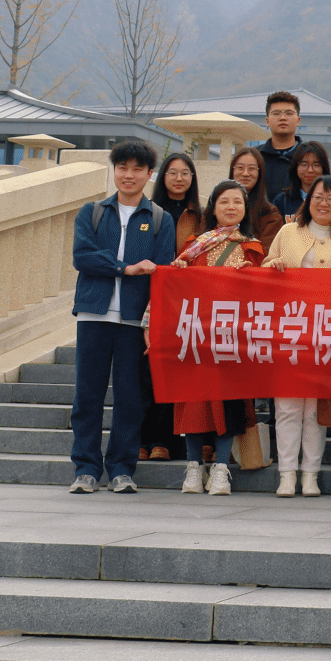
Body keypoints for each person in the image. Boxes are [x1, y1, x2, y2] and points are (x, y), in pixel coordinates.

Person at [67, 140, 171, 495]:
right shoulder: (92, 212)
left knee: (129, 398)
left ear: (149, 174)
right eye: (122, 167)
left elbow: (162, 272)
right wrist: (125, 269)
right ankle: (85, 468)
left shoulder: (159, 219)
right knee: (87, 396)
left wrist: (153, 323)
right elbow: (83, 256)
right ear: (114, 171)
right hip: (93, 315)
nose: (129, 175)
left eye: (137, 169)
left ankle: (122, 469)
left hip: (133, 321)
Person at [262, 174, 331, 497]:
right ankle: (287, 473)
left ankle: (311, 474)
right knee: (287, 405)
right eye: (318, 197)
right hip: (288, 328)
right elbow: (265, 268)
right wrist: (273, 265)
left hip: (326, 332)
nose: (324, 203)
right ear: (308, 200)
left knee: (316, 409)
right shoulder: (288, 231)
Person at [170, 179, 265, 496]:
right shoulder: (193, 245)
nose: (231, 207)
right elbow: (177, 288)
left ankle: (221, 468)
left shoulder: (253, 248)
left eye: (237, 202)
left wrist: (259, 275)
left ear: (245, 208)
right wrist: (179, 269)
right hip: (197, 335)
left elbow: (262, 295)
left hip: (233, 337)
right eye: (224, 201)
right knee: (194, 404)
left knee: (229, 403)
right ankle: (193, 467)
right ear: (213, 207)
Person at [140, 152, 201, 463]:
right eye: (172, 172)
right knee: (148, 370)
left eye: (185, 173)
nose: (179, 178)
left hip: (188, 300)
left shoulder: (202, 217)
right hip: (151, 296)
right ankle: (144, 438)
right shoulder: (148, 212)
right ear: (162, 176)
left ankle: (166, 441)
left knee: (178, 371)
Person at [227, 145, 285, 248]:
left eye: (252, 168)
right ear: (232, 171)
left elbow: (267, 252)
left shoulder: (271, 215)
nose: (245, 173)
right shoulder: (216, 207)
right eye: (240, 168)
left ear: (259, 172)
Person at [256, 91, 304, 206]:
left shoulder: (308, 157)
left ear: (298, 120)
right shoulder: (255, 157)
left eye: (289, 113)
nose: (282, 118)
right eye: (276, 113)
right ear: (267, 121)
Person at [272, 141, 330, 219]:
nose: (310, 170)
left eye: (316, 165)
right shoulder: (282, 201)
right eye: (304, 164)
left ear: (324, 168)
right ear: (296, 167)